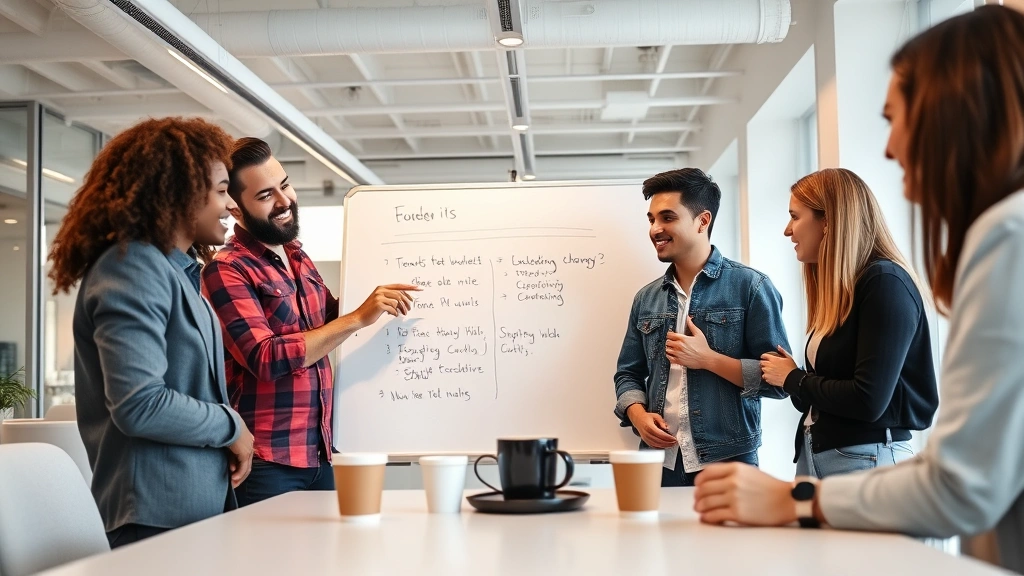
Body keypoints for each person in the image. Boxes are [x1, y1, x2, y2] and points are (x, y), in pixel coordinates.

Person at [693, 6, 1024, 572]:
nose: (890, 147)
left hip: (859, 466)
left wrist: (795, 499)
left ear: (951, 113)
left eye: (897, 117)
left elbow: (960, 484)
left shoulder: (1002, 239)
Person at [48, 117, 254, 548]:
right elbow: (140, 403)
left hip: (187, 511)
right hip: (154, 516)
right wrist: (230, 426)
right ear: (180, 194)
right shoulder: (133, 267)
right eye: (220, 191)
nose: (231, 205)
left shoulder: (177, 273)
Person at [202, 138, 418, 506]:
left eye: (285, 185)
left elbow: (327, 326)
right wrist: (355, 318)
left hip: (321, 452)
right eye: (266, 195)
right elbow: (264, 358)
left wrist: (375, 298)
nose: (285, 200)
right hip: (267, 463)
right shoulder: (227, 269)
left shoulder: (298, 256)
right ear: (236, 210)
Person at [614, 168, 791, 487]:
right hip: (659, 462)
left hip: (728, 460)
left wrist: (708, 359)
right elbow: (628, 373)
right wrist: (638, 416)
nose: (655, 229)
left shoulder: (750, 287)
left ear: (702, 220)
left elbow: (779, 382)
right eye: (651, 219)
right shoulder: (647, 298)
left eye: (667, 217)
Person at [759, 168, 938, 478]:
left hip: (866, 460)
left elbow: (868, 401)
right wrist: (793, 379)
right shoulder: (845, 291)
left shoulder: (884, 283)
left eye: (794, 216)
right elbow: (825, 401)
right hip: (826, 457)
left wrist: (794, 379)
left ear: (827, 221)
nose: (788, 231)